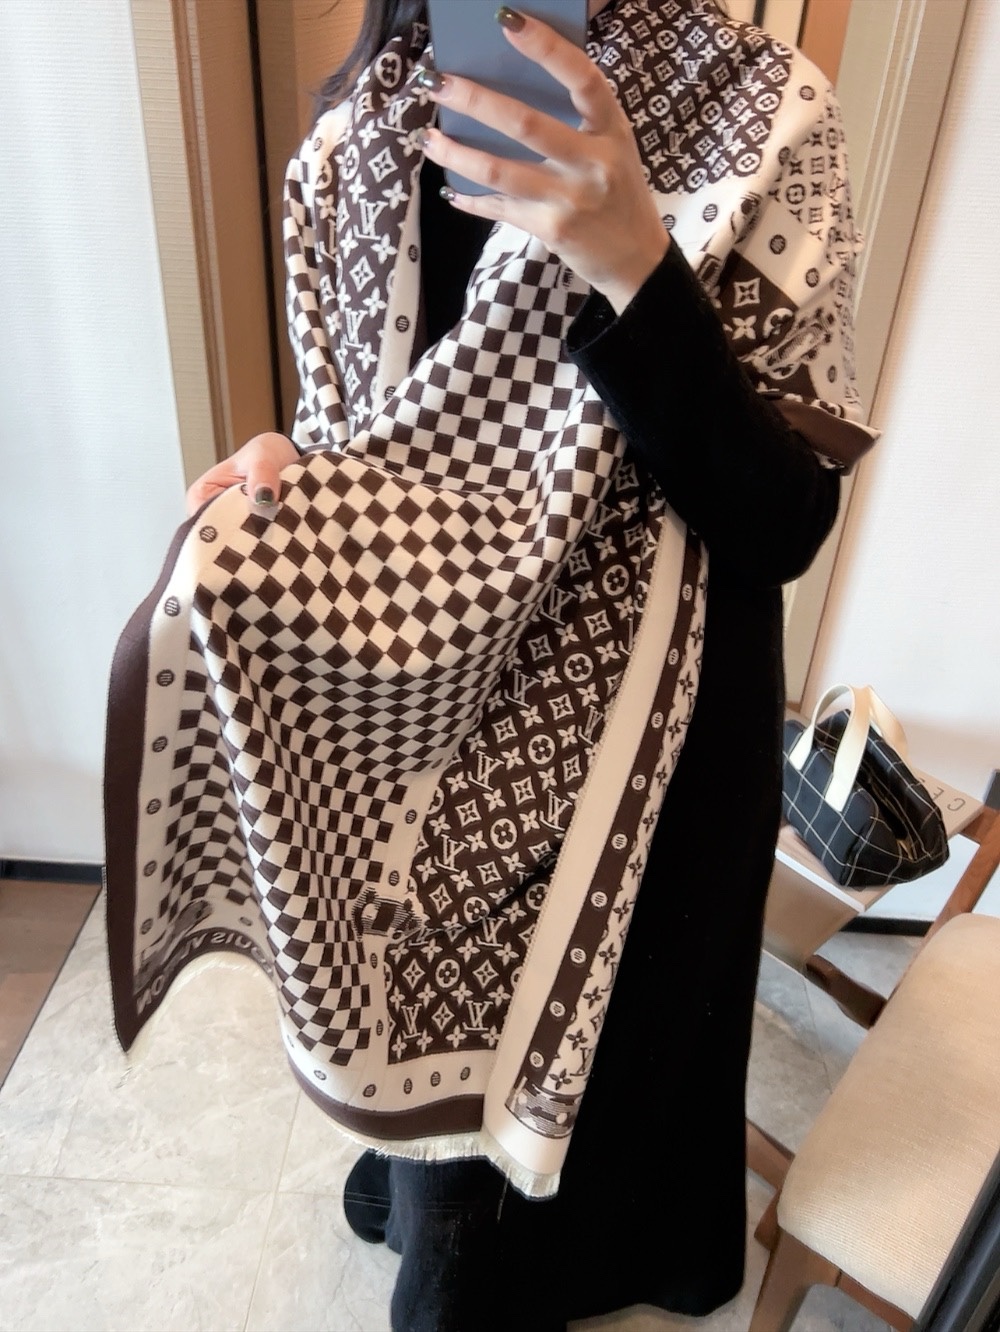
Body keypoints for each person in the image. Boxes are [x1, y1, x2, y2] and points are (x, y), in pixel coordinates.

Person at [114, 2, 875, 1329]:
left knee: (618, 1079)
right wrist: (298, 474)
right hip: (430, 712)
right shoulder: (358, 140)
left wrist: (639, 267)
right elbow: (370, 447)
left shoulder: (765, 120)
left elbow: (783, 522)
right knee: (434, 1085)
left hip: (663, 737)